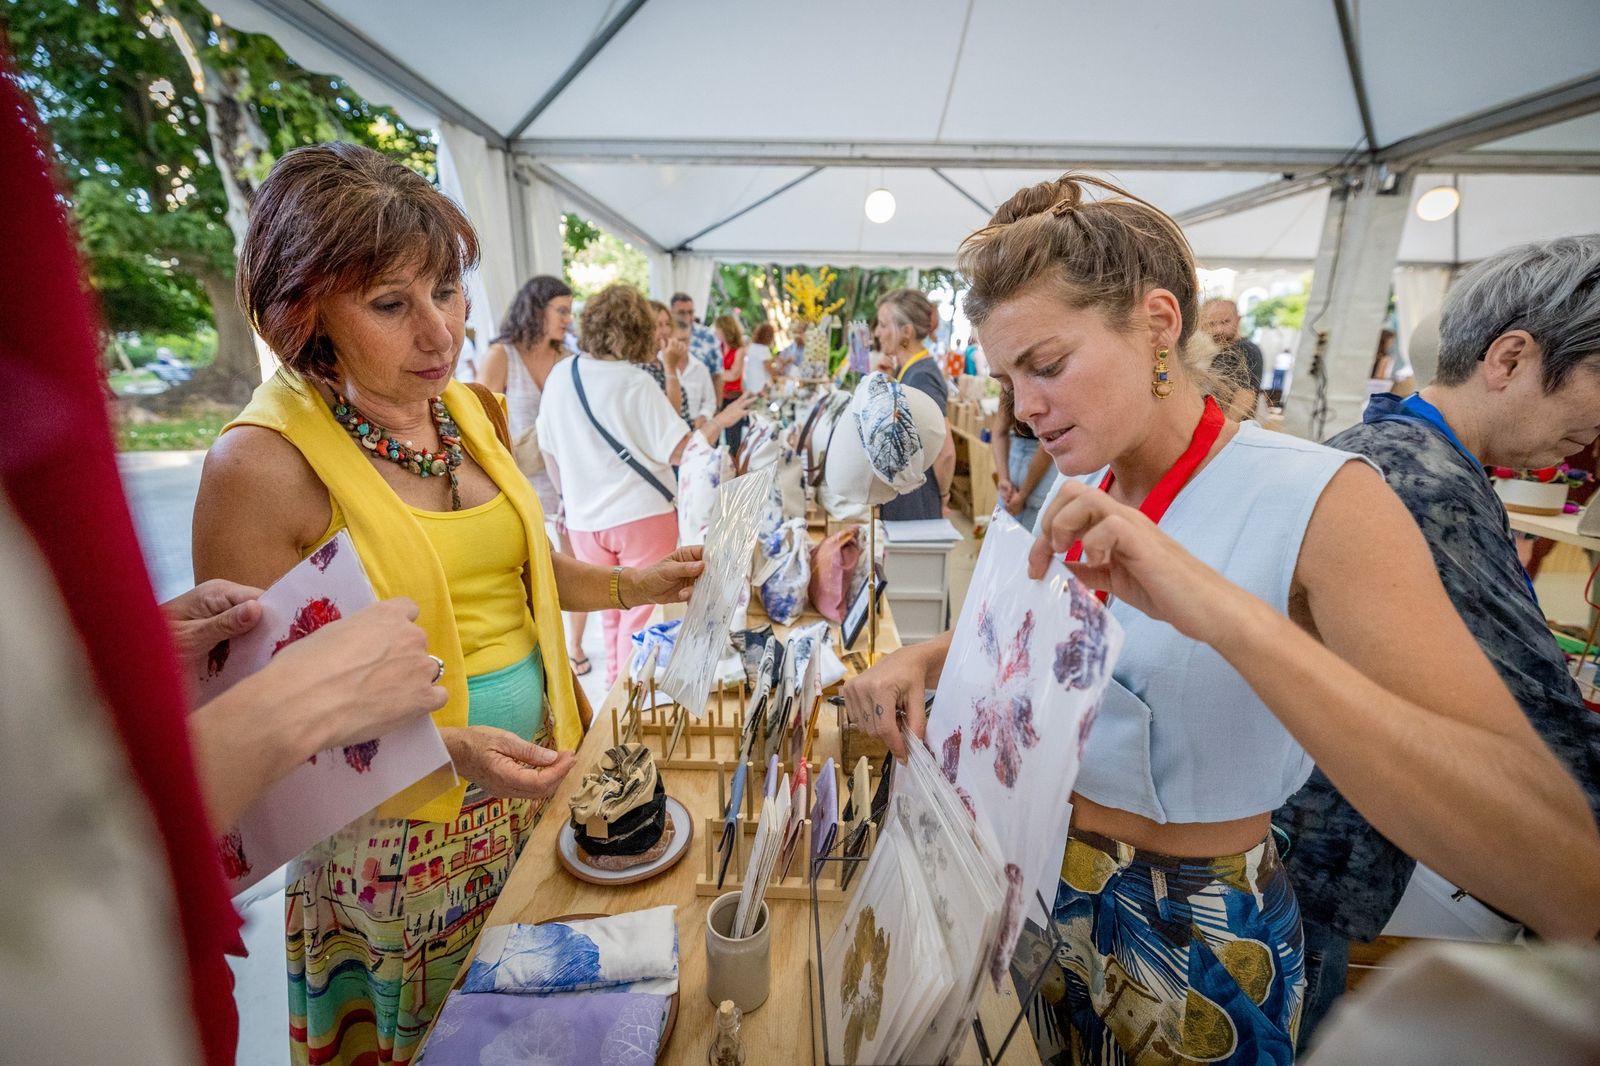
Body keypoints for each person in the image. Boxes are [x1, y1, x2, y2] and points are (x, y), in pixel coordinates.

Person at [844, 173, 1600, 1065]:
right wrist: (931, 659)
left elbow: (1563, 875)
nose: (1025, 407)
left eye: (1046, 366)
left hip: (1197, 940)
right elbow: (1081, 637)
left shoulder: (1322, 498)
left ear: (1158, 324)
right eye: (1010, 379)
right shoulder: (1091, 470)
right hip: (1050, 897)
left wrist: (1227, 614)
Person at [193, 144, 708, 1066]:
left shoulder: (467, 411)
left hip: (532, 786)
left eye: (447, 291)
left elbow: (518, 569)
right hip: (398, 849)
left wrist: (634, 585)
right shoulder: (261, 465)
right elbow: (255, 731)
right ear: (304, 315)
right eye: (392, 306)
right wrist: (446, 750)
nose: (440, 335)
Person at [1278, 235, 1600, 1051]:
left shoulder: (1383, 448)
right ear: (1511, 358)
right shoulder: (1422, 485)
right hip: (1317, 863)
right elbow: (1542, 729)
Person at [539, 284, 752, 685]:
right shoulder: (634, 382)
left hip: (583, 519)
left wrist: (569, 497)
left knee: (607, 608)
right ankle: (631, 694)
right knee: (641, 615)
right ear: (637, 329)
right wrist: (721, 422)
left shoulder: (561, 375)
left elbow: (547, 449)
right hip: (642, 515)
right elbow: (682, 451)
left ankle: (614, 687)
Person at [478, 275, 594, 676]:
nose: (567, 319)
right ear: (536, 309)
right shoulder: (501, 355)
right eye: (561, 310)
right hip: (518, 479)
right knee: (530, 571)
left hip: (566, 480)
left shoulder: (568, 360)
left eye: (569, 311)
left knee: (574, 564)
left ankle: (573, 646)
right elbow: (481, 423)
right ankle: (541, 645)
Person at [873, 287, 957, 520]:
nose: (877, 333)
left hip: (916, 504)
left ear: (906, 332)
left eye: (883, 325)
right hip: (908, 501)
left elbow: (945, 452)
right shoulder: (909, 372)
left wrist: (943, 495)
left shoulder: (922, 377)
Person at [990, 392, 1058, 531]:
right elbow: (1047, 445)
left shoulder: (1009, 387)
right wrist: (1019, 493)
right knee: (1029, 538)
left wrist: (1004, 479)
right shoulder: (1046, 387)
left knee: (1002, 533)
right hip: (1038, 470)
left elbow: (999, 432)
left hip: (1018, 463)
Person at [1202, 296, 1264, 406]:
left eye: (1225, 322)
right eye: (1212, 324)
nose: (1218, 330)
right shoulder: (1221, 352)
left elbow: (1245, 397)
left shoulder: (1246, 349)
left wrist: (1227, 419)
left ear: (1238, 319)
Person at [643, 299, 690, 422]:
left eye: (667, 324)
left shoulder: (661, 363)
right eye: (657, 325)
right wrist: (671, 368)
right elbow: (671, 417)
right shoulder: (639, 368)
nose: (665, 331)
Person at [667, 315, 718, 428]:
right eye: (678, 340)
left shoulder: (700, 368)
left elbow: (710, 402)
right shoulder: (659, 365)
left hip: (693, 430)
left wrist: (703, 416)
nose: (682, 345)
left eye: (685, 340)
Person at [670, 290, 724, 395]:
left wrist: (717, 404)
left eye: (690, 312)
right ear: (671, 312)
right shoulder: (664, 334)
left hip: (702, 400)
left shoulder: (708, 336)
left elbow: (717, 375)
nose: (687, 316)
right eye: (681, 312)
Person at [714, 313, 748, 450]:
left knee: (733, 441)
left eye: (717, 329)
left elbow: (734, 375)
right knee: (714, 437)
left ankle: (734, 463)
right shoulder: (718, 347)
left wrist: (715, 375)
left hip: (733, 397)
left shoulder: (739, 350)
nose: (715, 332)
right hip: (718, 397)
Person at [744, 321, 777, 396]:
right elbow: (769, 368)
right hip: (761, 386)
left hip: (750, 384)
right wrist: (777, 373)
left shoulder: (752, 346)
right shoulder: (764, 349)